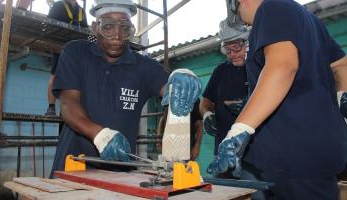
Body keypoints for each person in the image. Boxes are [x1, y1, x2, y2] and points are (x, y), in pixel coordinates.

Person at [207, 0, 347, 199]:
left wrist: (238, 131)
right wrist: (343, 96)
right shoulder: (309, 20)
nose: (247, 25)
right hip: (317, 148)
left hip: (295, 153)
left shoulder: (272, 8)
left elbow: (283, 66)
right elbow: (341, 64)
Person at [50, 0, 201, 176]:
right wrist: (100, 135)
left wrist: (179, 80)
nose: (117, 35)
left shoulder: (144, 67)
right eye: (108, 26)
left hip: (119, 174)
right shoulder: (76, 53)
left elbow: (169, 90)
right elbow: (69, 106)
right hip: (72, 167)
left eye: (125, 28)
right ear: (94, 27)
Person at [200, 19, 249, 157]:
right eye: (228, 50)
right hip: (223, 151)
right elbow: (205, 103)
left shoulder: (259, 68)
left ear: (247, 43)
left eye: (236, 47)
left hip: (254, 153)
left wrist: (250, 104)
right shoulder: (220, 71)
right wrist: (207, 115)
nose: (232, 54)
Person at [45, 0, 88, 115]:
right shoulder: (58, 5)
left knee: (75, 79)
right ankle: (51, 107)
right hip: (60, 45)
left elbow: (85, 31)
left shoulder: (81, 11)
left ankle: (73, 107)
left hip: (76, 49)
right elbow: (49, 24)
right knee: (55, 75)